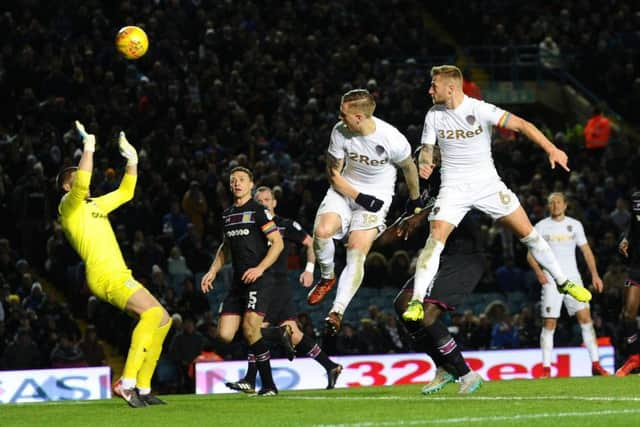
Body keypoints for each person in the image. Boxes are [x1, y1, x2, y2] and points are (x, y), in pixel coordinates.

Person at [403, 65, 591, 323]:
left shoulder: (480, 109)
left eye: (433, 85)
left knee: (529, 235)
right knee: (435, 239)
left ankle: (562, 281)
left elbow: (523, 125)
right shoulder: (434, 115)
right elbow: (426, 148)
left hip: (488, 185)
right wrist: (425, 161)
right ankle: (417, 302)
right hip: (453, 188)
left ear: (451, 88)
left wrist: (551, 149)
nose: (429, 90)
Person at [57, 121, 172, 407]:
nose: (85, 179)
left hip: (119, 272)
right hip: (104, 275)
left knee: (164, 320)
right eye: (77, 175)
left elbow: (126, 193)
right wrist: (89, 146)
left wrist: (132, 161)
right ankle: (127, 381)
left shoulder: (94, 206)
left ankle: (143, 387)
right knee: (151, 314)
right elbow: (82, 181)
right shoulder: (68, 207)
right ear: (65, 186)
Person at [307, 88, 421, 335]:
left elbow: (409, 169)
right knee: (322, 231)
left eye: (343, 114)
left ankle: (336, 311)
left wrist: (415, 202)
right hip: (345, 190)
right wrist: (360, 197)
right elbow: (333, 175)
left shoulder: (392, 139)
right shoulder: (340, 132)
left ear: (359, 117)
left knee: (356, 253)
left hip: (377, 198)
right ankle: (327, 277)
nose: (340, 118)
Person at [225, 186, 343, 393]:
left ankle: (252, 379)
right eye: (259, 200)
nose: (263, 203)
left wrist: (309, 269)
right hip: (264, 284)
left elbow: (311, 243)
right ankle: (330, 366)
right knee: (294, 334)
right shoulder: (252, 224)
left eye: (267, 199)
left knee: (254, 329)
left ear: (274, 203)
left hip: (275, 285)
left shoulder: (285, 226)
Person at [200, 167, 287, 396]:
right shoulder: (228, 215)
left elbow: (277, 243)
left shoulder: (259, 211)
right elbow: (225, 247)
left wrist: (259, 268)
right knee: (225, 335)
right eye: (233, 180)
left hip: (259, 280)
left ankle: (268, 385)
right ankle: (276, 334)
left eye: (241, 180)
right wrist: (212, 271)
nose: (237, 183)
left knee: (249, 328)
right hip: (237, 284)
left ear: (250, 185)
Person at [526, 192, 608, 377]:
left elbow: (586, 251)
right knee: (549, 323)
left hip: (574, 280)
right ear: (548, 206)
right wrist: (539, 272)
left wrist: (595, 275)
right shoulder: (541, 226)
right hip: (551, 282)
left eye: (558, 202)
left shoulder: (575, 225)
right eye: (551, 202)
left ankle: (596, 364)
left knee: (586, 320)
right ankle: (546, 368)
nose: (555, 205)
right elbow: (530, 254)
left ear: (565, 205)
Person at [615, 191, 640, 376]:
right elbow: (633, 225)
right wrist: (625, 239)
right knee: (628, 314)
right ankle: (634, 358)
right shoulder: (636, 197)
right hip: (637, 266)